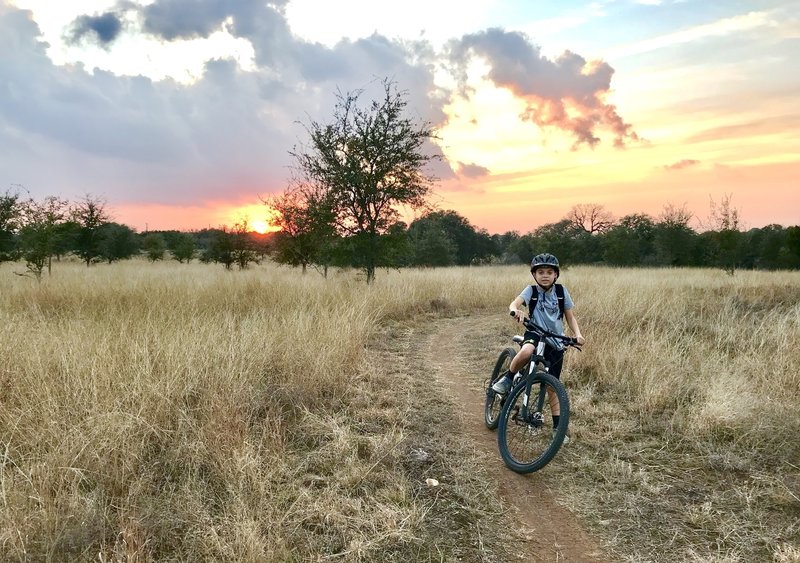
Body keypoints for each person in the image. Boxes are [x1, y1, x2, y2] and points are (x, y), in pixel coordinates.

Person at [491, 253, 585, 441]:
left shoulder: (561, 292)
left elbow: (570, 316)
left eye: (549, 272)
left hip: (556, 340)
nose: (545, 275)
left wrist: (578, 334)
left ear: (556, 275)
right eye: (540, 272)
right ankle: (508, 379)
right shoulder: (531, 291)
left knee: (552, 385)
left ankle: (558, 429)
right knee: (527, 351)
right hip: (535, 332)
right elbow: (515, 302)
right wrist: (516, 309)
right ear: (534, 274)